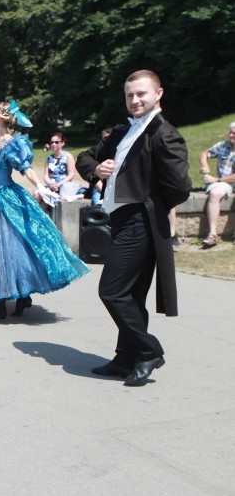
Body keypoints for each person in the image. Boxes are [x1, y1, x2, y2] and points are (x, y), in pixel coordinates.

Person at [76, 70, 192, 386]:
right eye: (130, 95)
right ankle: (125, 358)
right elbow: (84, 158)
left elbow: (180, 187)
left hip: (141, 221)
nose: (135, 100)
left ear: (158, 94)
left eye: (141, 93)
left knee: (111, 291)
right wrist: (96, 170)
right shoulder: (121, 131)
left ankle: (148, 351)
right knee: (131, 295)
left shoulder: (163, 134)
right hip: (120, 221)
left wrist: (150, 202)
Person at [0, 101, 88, 324]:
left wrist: (40, 187)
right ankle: (13, 297)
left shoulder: (12, 144)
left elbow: (26, 168)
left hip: (9, 199)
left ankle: (5, 302)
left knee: (14, 247)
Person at [197, 121, 235, 247]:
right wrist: (204, 165)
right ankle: (212, 234)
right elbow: (204, 153)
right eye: (230, 133)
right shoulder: (223, 145)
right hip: (225, 183)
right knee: (215, 193)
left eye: (234, 134)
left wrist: (217, 180)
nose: (231, 136)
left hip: (224, 180)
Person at [34, 131, 77, 208]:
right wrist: (50, 184)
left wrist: (59, 184)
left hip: (63, 186)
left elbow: (71, 174)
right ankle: (34, 216)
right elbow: (46, 176)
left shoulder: (68, 156)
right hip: (51, 185)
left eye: (56, 142)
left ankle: (40, 217)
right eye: (52, 142)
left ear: (62, 143)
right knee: (36, 194)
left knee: (44, 202)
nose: (53, 144)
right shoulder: (49, 158)